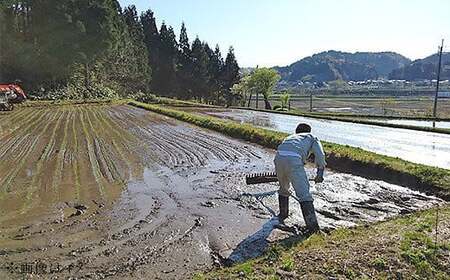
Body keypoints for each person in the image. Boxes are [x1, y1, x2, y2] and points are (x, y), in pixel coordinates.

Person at [274, 123, 326, 233]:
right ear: (309, 131)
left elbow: (288, 152)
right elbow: (320, 155)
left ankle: (283, 215)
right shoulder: (312, 137)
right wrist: (320, 173)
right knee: (304, 194)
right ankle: (313, 229)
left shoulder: (290, 137)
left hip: (278, 158)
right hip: (293, 160)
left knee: (283, 189)